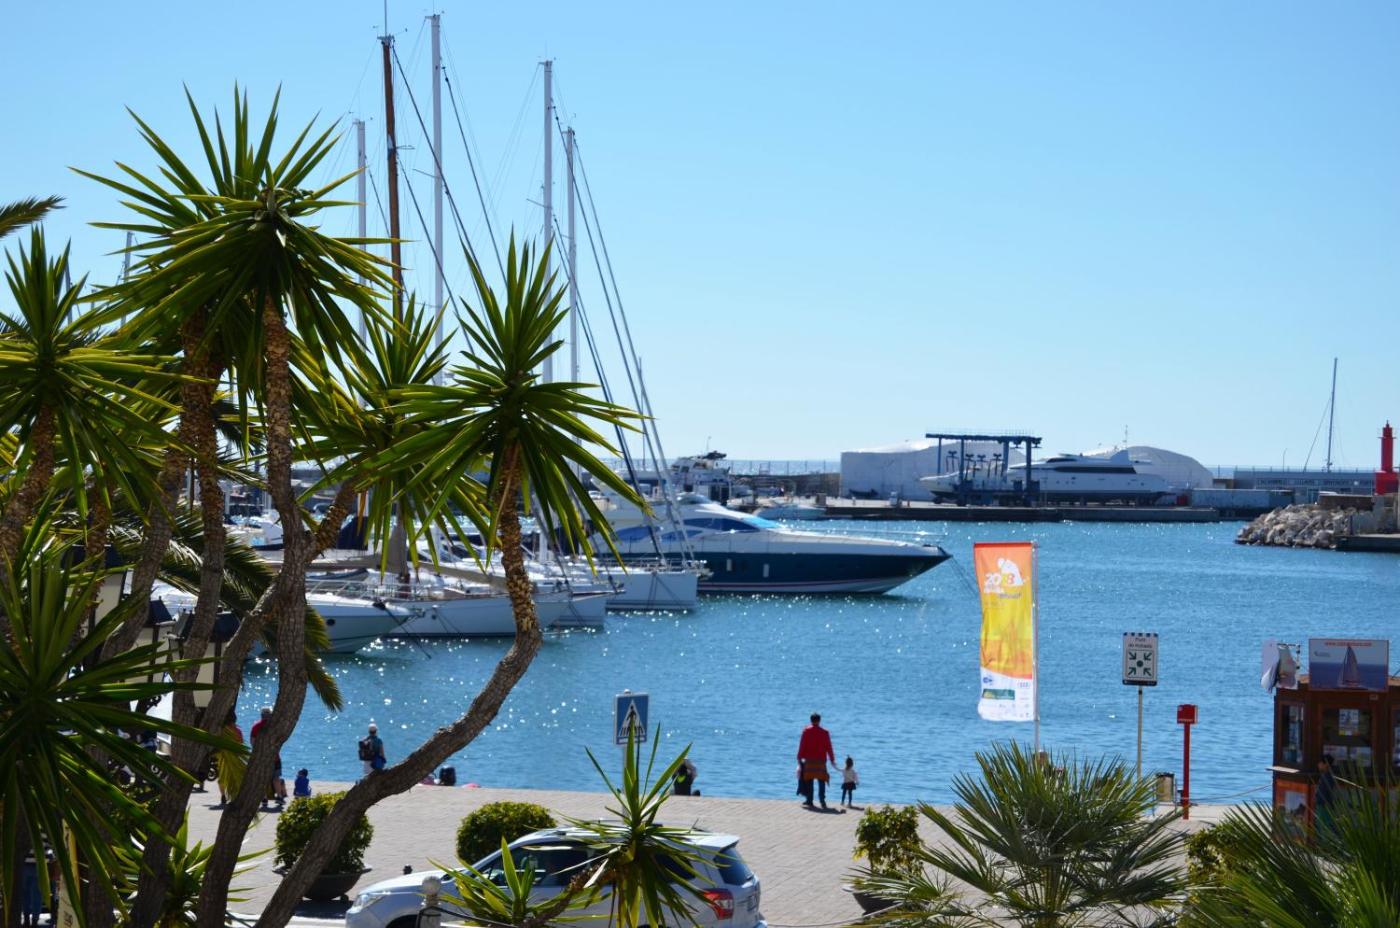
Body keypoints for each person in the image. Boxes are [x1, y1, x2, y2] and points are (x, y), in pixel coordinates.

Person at [797, 712, 836, 809]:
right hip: (821, 761)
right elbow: (829, 747)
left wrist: (799, 757)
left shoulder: (806, 731)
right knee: (821, 780)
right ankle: (822, 801)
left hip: (809, 760)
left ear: (811, 720)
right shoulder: (825, 732)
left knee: (809, 780)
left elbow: (802, 745)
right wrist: (832, 759)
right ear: (819, 720)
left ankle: (809, 800)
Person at [250, 706, 285, 811]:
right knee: (276, 778)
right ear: (270, 715)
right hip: (275, 757)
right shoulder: (275, 727)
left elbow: (252, 741)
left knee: (262, 779)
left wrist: (258, 752)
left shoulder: (256, 726)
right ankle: (279, 796)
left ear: (261, 715)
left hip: (261, 757)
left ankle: (264, 799)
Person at [1314, 754, 1337, 832]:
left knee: (1325, 827)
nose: (1318, 765)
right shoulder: (1326, 775)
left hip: (1324, 806)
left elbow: (1325, 792)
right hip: (1323, 805)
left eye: (1320, 763)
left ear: (1326, 764)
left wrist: (1318, 799)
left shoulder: (1328, 777)